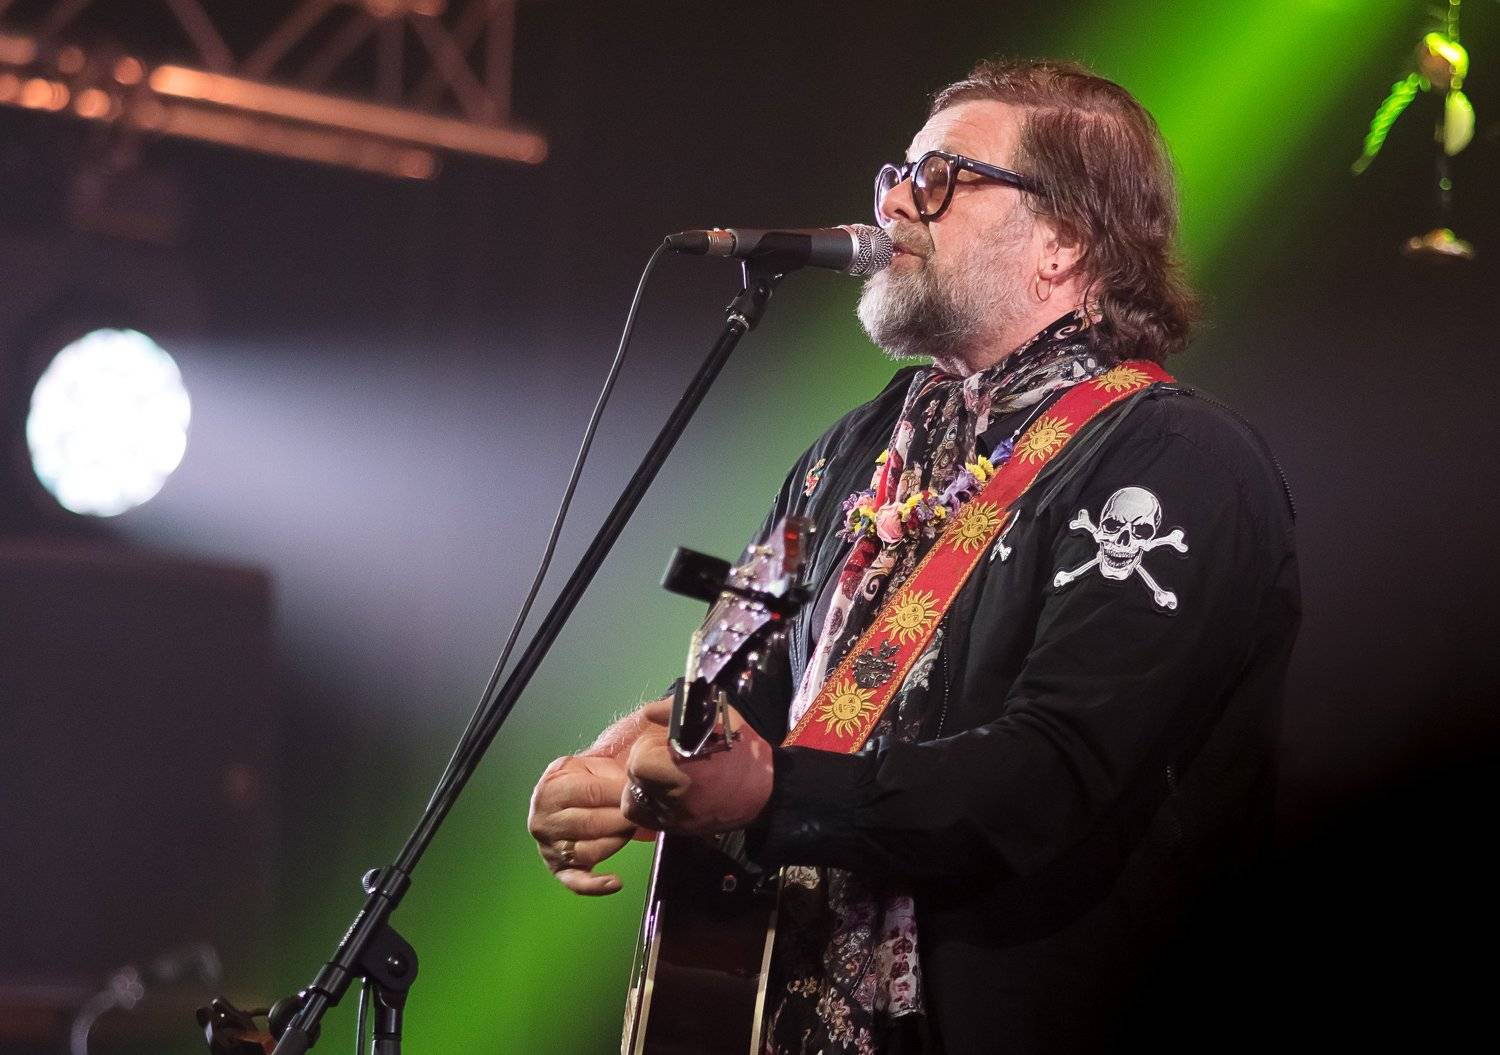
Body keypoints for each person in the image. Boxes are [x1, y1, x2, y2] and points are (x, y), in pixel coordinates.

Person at [528, 58, 1299, 1054]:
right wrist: (627, 765)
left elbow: (1049, 776)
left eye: (941, 178)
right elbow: (745, 699)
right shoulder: (847, 454)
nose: (893, 200)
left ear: (1064, 240)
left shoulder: (1175, 458)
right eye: (896, 173)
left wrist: (771, 791)